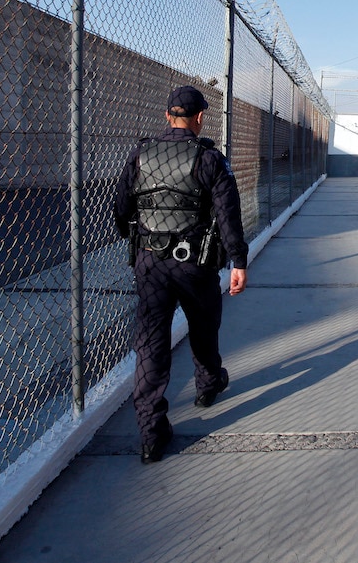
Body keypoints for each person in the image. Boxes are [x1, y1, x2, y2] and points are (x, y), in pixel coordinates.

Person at [112, 85, 248, 464]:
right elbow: (228, 216)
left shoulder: (140, 153)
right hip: (195, 263)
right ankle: (207, 385)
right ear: (200, 118)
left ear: (167, 116)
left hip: (150, 263)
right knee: (203, 326)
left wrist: (139, 240)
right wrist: (238, 261)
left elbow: (121, 207)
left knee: (151, 341)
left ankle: (151, 433)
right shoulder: (209, 159)